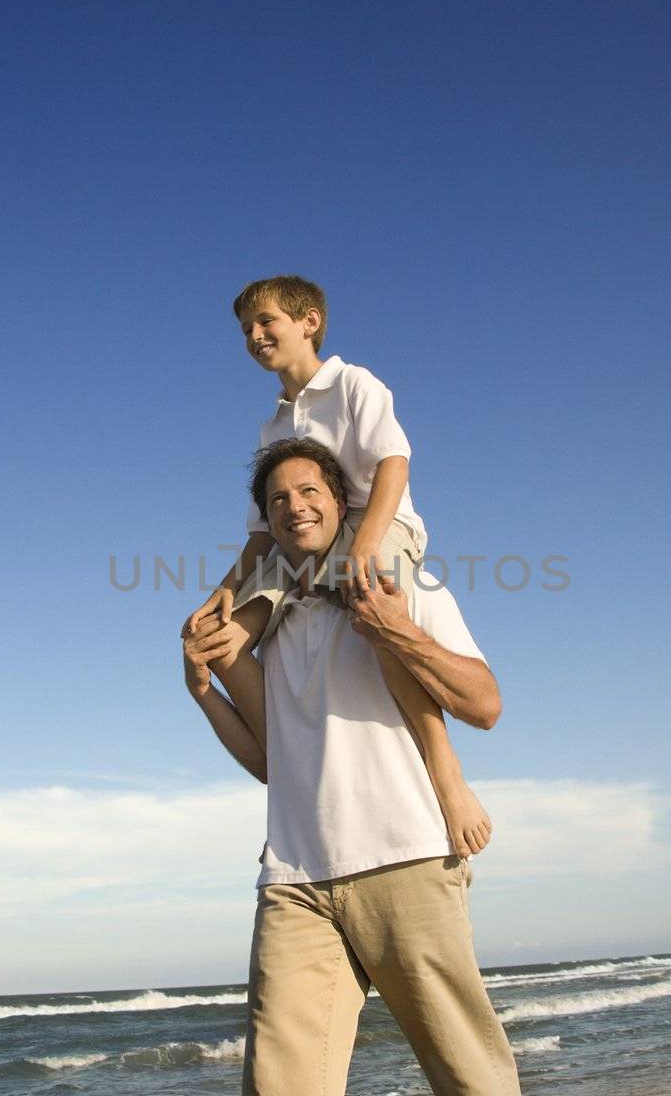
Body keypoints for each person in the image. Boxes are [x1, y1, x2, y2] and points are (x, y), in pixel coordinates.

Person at [181, 438, 547, 1096]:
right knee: (280, 1085)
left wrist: (392, 629)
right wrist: (206, 693)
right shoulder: (275, 627)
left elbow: (487, 702)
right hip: (297, 879)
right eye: (279, 497)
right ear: (265, 523)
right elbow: (270, 759)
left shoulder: (402, 587)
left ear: (342, 501)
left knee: (464, 1064)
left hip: (406, 860)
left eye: (311, 489)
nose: (297, 504)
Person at [181, 274, 490, 860]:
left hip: (374, 522)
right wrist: (221, 593)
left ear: (308, 323)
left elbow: (393, 465)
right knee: (216, 641)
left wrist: (365, 547)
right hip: (297, 546)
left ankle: (446, 774)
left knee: (373, 612)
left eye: (266, 321)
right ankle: (289, 771)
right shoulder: (273, 425)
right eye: (245, 328)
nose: (254, 334)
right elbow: (258, 535)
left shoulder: (353, 384)